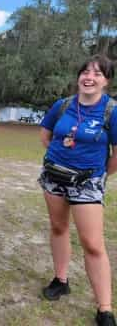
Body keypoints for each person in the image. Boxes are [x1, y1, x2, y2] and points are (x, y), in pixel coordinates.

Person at [38, 55, 116, 326]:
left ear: (106, 81)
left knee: (93, 245)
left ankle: (104, 309)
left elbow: (116, 155)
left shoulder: (112, 111)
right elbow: (46, 135)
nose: (89, 77)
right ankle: (61, 280)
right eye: (85, 71)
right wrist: (60, 159)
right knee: (58, 228)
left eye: (97, 73)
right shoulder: (63, 105)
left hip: (88, 182)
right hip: (54, 177)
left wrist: (97, 173)